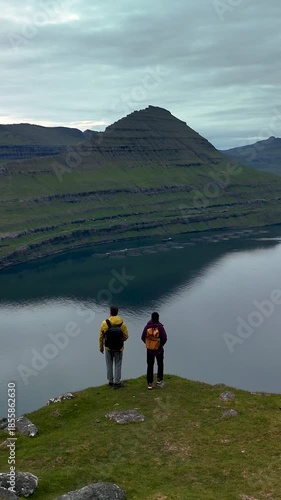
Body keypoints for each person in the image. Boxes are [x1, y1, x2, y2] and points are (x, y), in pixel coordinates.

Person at [99, 306, 129, 388]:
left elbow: (101, 336)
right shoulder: (122, 323)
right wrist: (120, 340)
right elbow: (126, 336)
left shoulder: (105, 323)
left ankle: (110, 381)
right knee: (118, 364)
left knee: (109, 364)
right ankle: (117, 382)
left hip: (108, 347)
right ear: (117, 312)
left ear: (110, 313)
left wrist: (101, 347)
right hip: (119, 347)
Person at [141, 312, 167, 390]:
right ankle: (159, 380)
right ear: (158, 318)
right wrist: (159, 345)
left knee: (150, 365)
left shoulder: (147, 327)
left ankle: (150, 383)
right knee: (160, 364)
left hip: (149, 350)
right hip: (158, 350)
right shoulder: (160, 327)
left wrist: (149, 344)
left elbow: (142, 337)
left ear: (151, 318)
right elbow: (164, 338)